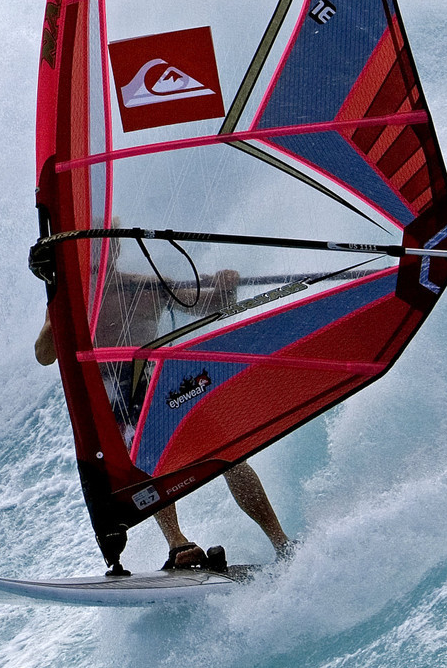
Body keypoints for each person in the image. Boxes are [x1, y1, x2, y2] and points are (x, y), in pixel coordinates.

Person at [34, 235, 292, 566]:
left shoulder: (147, 286)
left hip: (157, 380)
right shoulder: (68, 301)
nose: (97, 258)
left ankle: (281, 541)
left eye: (104, 249)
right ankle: (178, 543)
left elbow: (208, 306)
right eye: (88, 253)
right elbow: (43, 356)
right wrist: (59, 316)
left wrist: (225, 288)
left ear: (114, 250)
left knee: (228, 454)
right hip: (115, 393)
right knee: (148, 460)